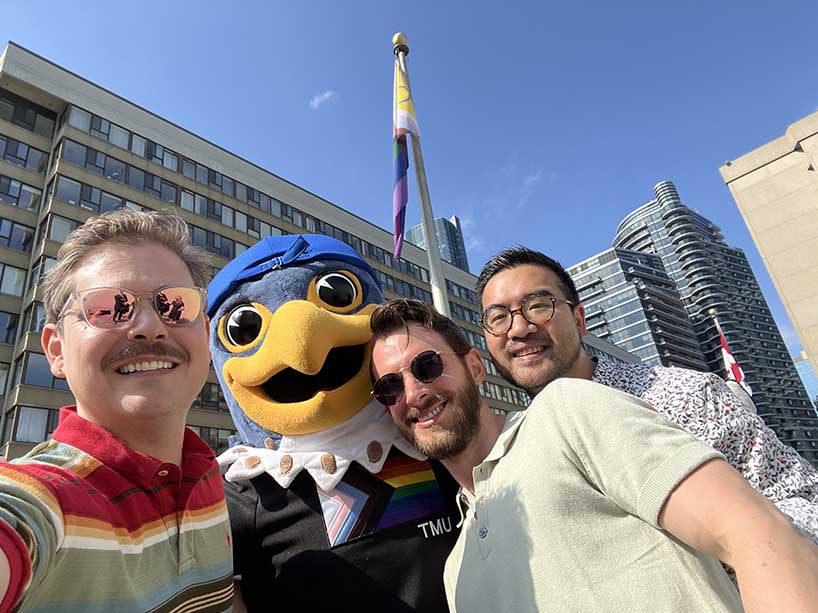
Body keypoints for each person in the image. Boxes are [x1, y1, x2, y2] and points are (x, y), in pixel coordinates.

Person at [369, 299, 818, 612]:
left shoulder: (567, 411)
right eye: (390, 387)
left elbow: (761, 538)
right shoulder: (456, 571)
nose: (414, 393)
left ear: (474, 367)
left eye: (426, 366)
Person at [476, 246, 818, 541]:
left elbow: (802, 500)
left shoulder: (684, 395)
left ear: (579, 320)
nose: (518, 328)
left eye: (538, 305)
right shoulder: (513, 453)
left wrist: (742, 545)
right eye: (499, 316)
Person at [0, 210, 233, 612]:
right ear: (56, 351)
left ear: (207, 338)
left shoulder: (214, 477)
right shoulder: (45, 501)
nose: (149, 326)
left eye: (174, 306)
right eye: (110, 307)